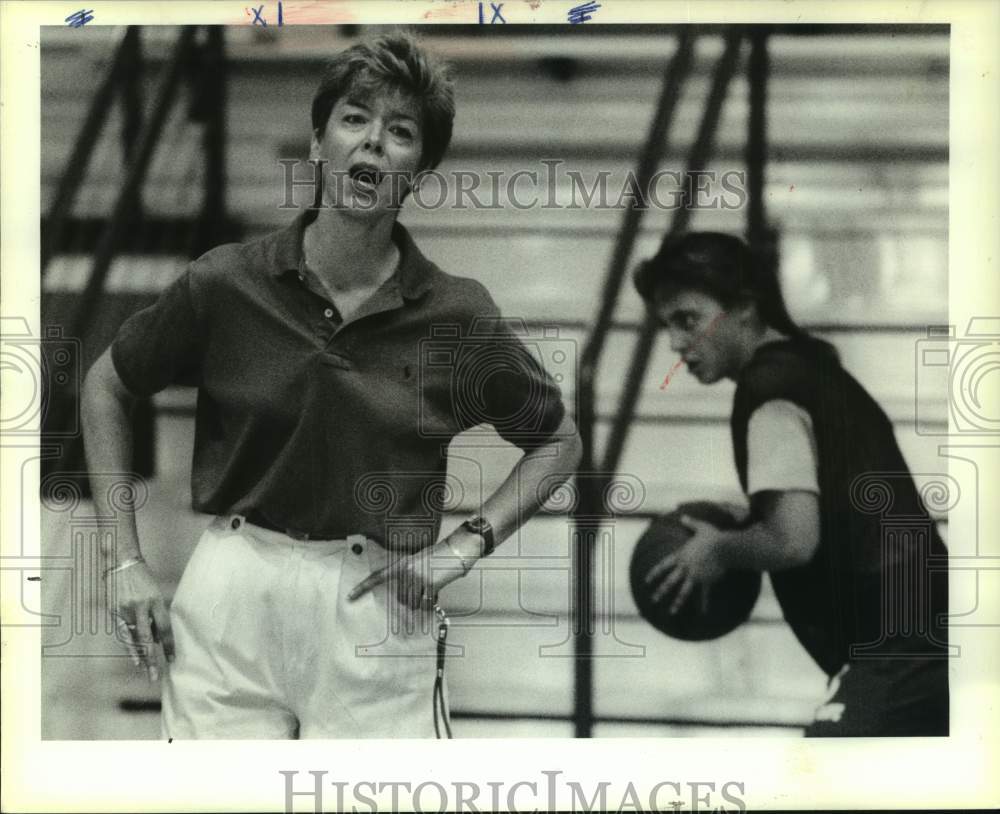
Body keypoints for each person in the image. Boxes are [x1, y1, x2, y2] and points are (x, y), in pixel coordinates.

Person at [81, 32, 581, 739]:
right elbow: (105, 387)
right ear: (319, 143)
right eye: (354, 119)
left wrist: (464, 546)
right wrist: (125, 560)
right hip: (231, 589)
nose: (373, 143)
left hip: (377, 602)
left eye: (400, 132)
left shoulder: (457, 312)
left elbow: (556, 444)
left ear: (420, 170)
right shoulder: (226, 283)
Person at [634, 232, 949, 737]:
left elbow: (793, 540)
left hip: (900, 650)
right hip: (927, 632)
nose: (674, 343)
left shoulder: (767, 391)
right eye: (666, 325)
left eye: (687, 319)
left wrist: (717, 552)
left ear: (744, 307)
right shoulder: (811, 369)